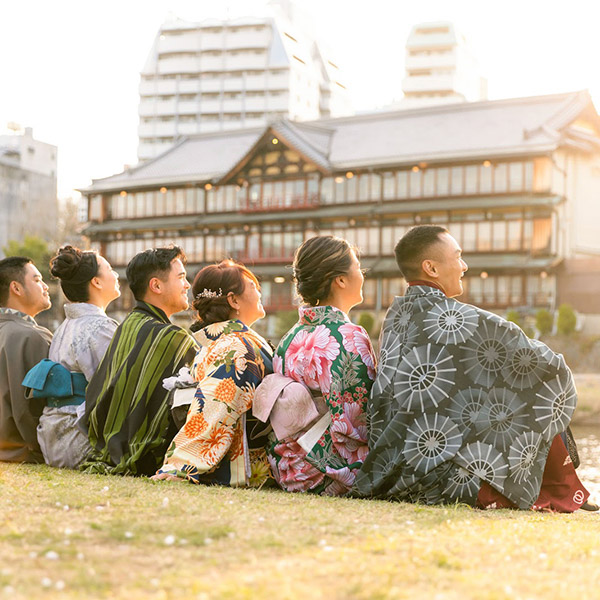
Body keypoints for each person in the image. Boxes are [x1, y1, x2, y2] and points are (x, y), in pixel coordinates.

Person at [353, 225, 592, 512]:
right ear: (431, 268)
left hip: (392, 468)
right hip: (442, 478)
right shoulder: (456, 318)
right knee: (540, 387)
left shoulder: (396, 317)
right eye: (458, 256)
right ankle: (562, 485)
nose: (464, 266)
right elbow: (550, 366)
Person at [266, 235, 377, 496]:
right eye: (358, 268)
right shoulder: (348, 336)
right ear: (340, 279)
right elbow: (358, 422)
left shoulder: (289, 337)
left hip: (288, 466)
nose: (362, 275)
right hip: (327, 471)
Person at [80, 246, 198, 476]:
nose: (187, 285)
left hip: (105, 447)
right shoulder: (173, 337)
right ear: (156, 285)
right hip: (145, 456)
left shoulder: (127, 325)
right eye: (181, 277)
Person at [154, 259, 273, 486]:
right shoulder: (235, 347)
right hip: (239, 464)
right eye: (253, 287)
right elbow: (212, 410)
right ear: (233, 300)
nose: (259, 293)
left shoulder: (227, 342)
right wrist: (181, 466)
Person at [25, 246, 120, 468]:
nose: (115, 274)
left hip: (54, 435)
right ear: (96, 282)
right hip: (79, 439)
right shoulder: (100, 327)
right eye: (110, 268)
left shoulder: (65, 327)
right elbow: (114, 391)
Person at [0, 257, 52, 463]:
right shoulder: (32, 336)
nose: (46, 287)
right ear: (16, 288)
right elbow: (34, 409)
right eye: (37, 280)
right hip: (22, 453)